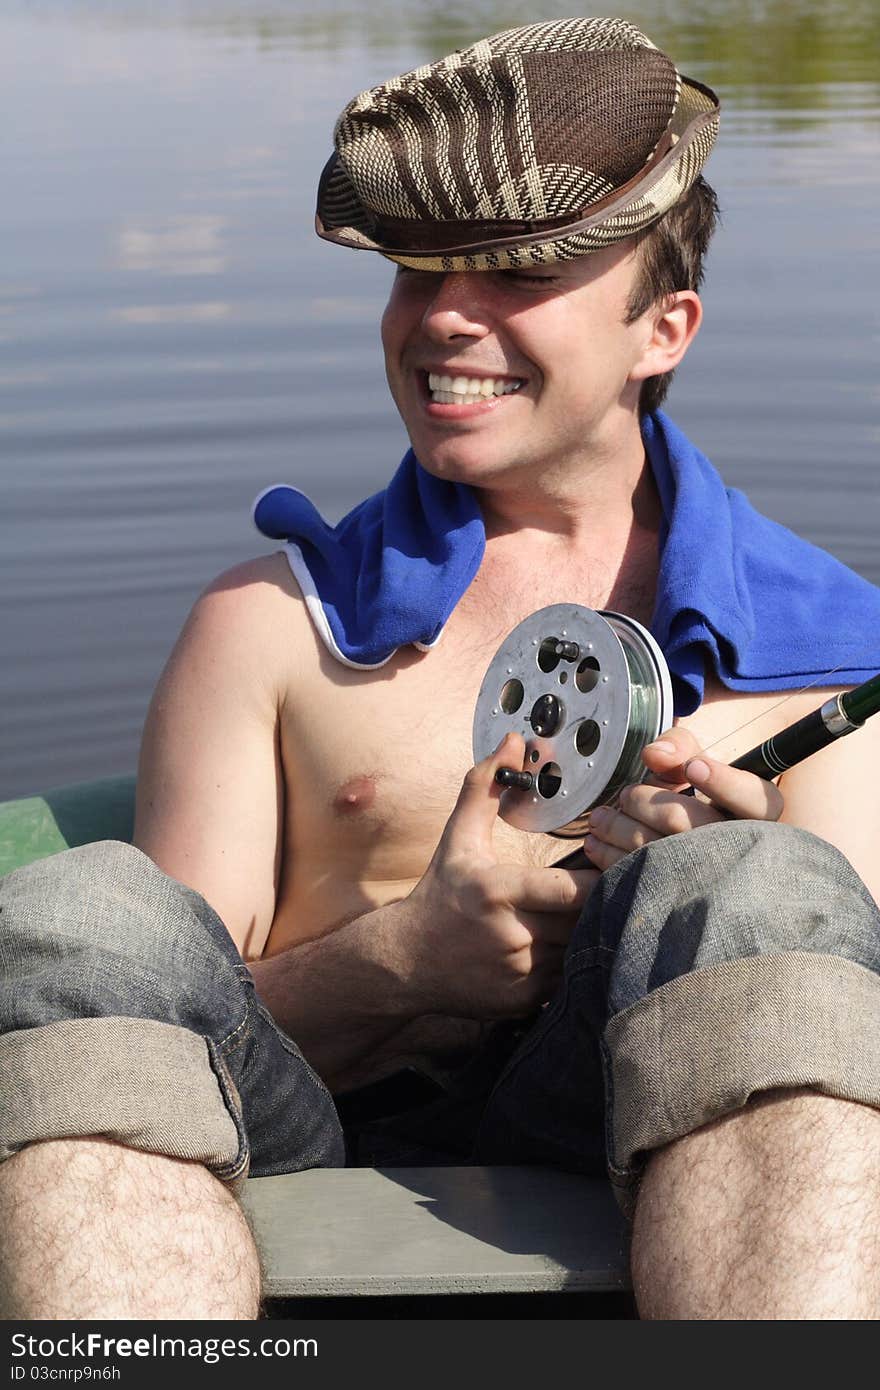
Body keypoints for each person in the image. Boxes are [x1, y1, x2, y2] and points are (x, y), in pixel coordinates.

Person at [2, 17, 879, 1321]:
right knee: (82, 915)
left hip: (678, 1135)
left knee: (752, 877)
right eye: (418, 272)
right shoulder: (271, 624)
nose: (443, 318)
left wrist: (683, 915)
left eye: (518, 274)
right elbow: (149, 1009)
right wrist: (408, 957)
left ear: (666, 328)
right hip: (310, 1124)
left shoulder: (828, 659)